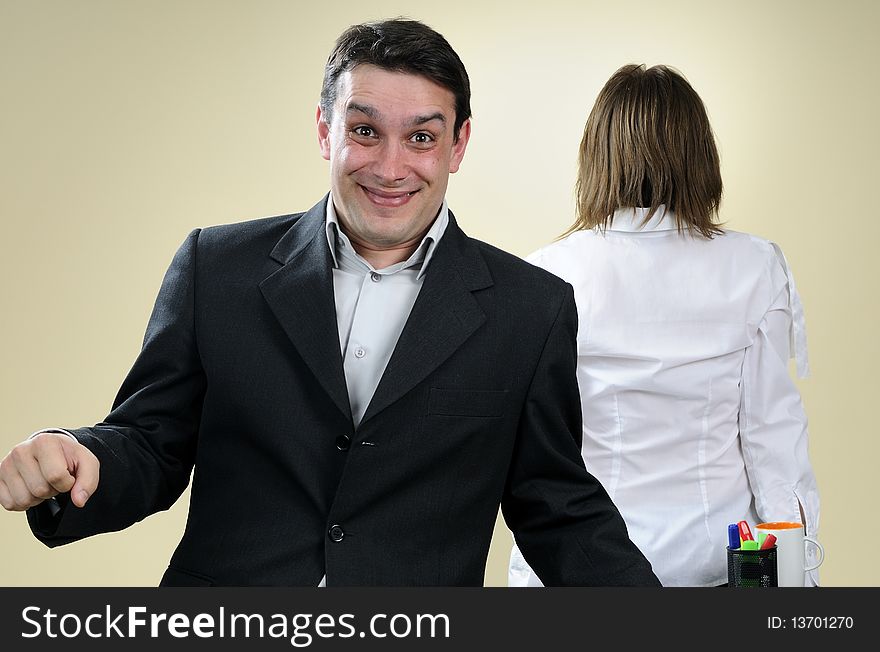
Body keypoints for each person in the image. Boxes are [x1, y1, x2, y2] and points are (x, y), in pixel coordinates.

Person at [0, 19, 659, 587]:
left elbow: (558, 508)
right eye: (365, 130)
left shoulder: (531, 310)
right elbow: (150, 442)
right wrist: (75, 454)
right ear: (325, 129)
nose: (391, 166)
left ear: (458, 145)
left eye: (422, 138)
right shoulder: (216, 267)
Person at [509, 64, 820, 587]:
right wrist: (797, 577)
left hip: (574, 568)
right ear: (700, 153)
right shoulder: (754, 265)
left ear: (597, 154)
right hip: (717, 568)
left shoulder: (544, 273)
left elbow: (532, 456)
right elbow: (774, 443)